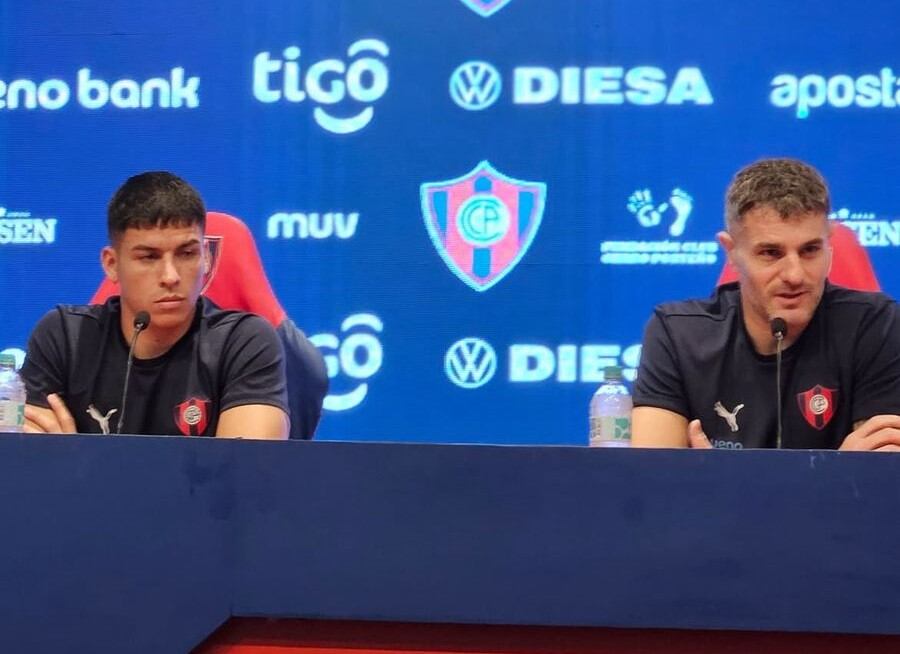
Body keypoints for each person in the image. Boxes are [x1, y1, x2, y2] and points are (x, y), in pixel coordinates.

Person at [631, 158, 900, 451]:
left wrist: (713, 474)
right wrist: (837, 468)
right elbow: (650, 474)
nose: (795, 275)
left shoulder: (875, 325)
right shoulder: (677, 335)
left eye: (810, 250)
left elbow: (880, 470)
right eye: (771, 253)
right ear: (731, 252)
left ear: (829, 244)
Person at [21, 172, 290, 439]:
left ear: (207, 258)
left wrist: (73, 454)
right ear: (112, 264)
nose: (170, 277)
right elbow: (20, 452)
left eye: (187, 253)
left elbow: (246, 464)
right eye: (149, 257)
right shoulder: (64, 337)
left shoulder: (244, 342)